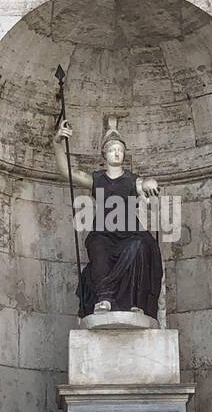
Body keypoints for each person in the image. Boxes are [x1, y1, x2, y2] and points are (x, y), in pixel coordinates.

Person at [52, 119, 163, 319]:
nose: (117, 152)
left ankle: (135, 303)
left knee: (139, 246)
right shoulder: (97, 179)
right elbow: (67, 173)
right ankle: (104, 299)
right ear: (104, 154)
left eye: (120, 149)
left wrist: (150, 183)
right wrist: (58, 142)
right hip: (103, 231)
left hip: (129, 232)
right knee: (98, 246)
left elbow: (145, 183)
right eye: (112, 149)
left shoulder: (131, 179)